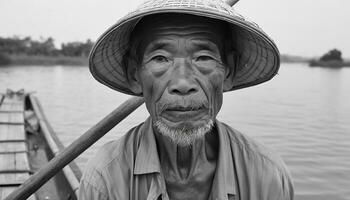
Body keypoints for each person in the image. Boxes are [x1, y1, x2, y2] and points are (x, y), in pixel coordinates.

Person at [78, 0, 294, 199]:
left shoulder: (266, 175)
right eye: (160, 58)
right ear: (135, 75)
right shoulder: (105, 177)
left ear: (228, 72)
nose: (182, 83)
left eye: (203, 58)